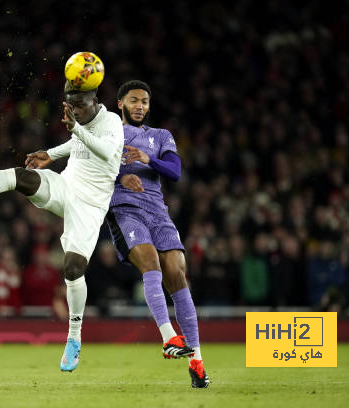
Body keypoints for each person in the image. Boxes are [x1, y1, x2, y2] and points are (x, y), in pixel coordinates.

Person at [0, 80, 123, 371]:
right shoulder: (81, 124)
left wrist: (76, 129)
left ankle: (74, 338)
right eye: (72, 106)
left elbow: (106, 152)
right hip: (66, 186)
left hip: (91, 206)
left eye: (81, 105)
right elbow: (77, 143)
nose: (76, 111)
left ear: (95, 100)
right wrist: (51, 154)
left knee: (72, 268)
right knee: (23, 177)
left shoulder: (112, 122)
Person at [106, 80, 209, 388]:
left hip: (158, 212)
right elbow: (93, 169)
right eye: (134, 100)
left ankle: (197, 362)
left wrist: (147, 159)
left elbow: (175, 172)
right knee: (150, 262)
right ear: (120, 103)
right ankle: (168, 337)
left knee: (177, 272)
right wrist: (122, 176)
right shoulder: (110, 134)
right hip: (124, 210)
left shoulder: (161, 136)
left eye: (145, 102)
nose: (140, 106)